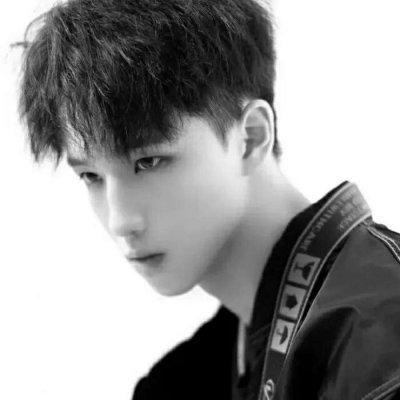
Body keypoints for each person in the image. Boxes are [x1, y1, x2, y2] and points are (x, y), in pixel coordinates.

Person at [17, 0, 400, 399]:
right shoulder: (177, 384)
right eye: (91, 176)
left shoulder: (383, 331)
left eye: (148, 162)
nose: (120, 221)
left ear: (250, 137)